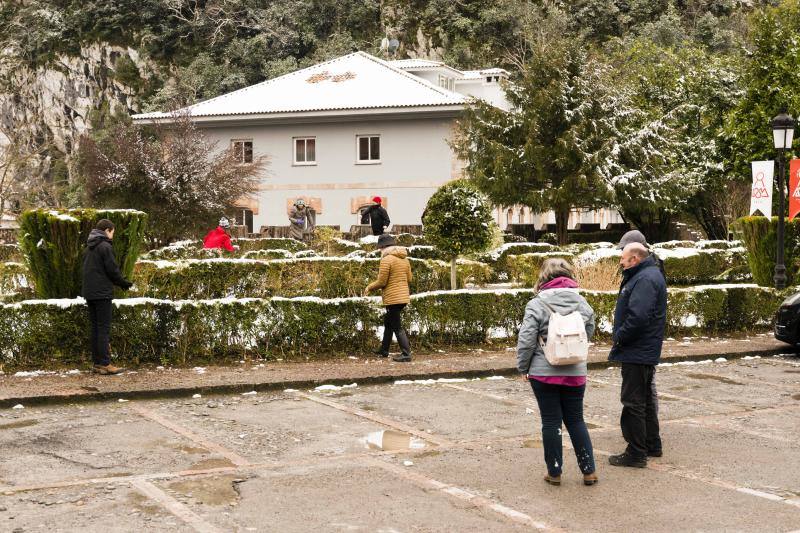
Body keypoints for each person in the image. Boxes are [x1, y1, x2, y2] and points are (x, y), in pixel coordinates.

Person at [517, 258, 598, 486]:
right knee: (576, 420)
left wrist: (523, 366)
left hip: (544, 372)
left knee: (551, 422)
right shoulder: (582, 302)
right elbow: (588, 331)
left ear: (543, 277)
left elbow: (526, 339)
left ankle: (554, 472)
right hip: (575, 371)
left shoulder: (536, 304)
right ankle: (588, 470)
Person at [608, 242, 667, 467]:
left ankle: (636, 452)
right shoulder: (648, 275)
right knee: (644, 400)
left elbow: (638, 317)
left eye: (623, 258)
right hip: (642, 348)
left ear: (635, 259)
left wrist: (620, 336)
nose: (621, 262)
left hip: (637, 349)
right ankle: (651, 444)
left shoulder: (644, 279)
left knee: (633, 402)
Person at [82, 219, 134, 375]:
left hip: (90, 293)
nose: (112, 236)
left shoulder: (88, 247)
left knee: (96, 328)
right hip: (102, 293)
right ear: (107, 230)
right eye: (112, 232)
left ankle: (97, 363)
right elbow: (112, 270)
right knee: (103, 329)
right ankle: (105, 363)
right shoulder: (105, 247)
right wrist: (124, 283)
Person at [364, 234, 413, 362]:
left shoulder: (387, 259)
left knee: (397, 326)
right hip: (403, 297)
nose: (380, 250)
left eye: (380, 247)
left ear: (384, 246)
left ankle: (406, 354)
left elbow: (382, 281)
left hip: (393, 298)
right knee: (388, 323)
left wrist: (369, 287)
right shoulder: (404, 259)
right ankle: (384, 350)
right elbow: (409, 279)